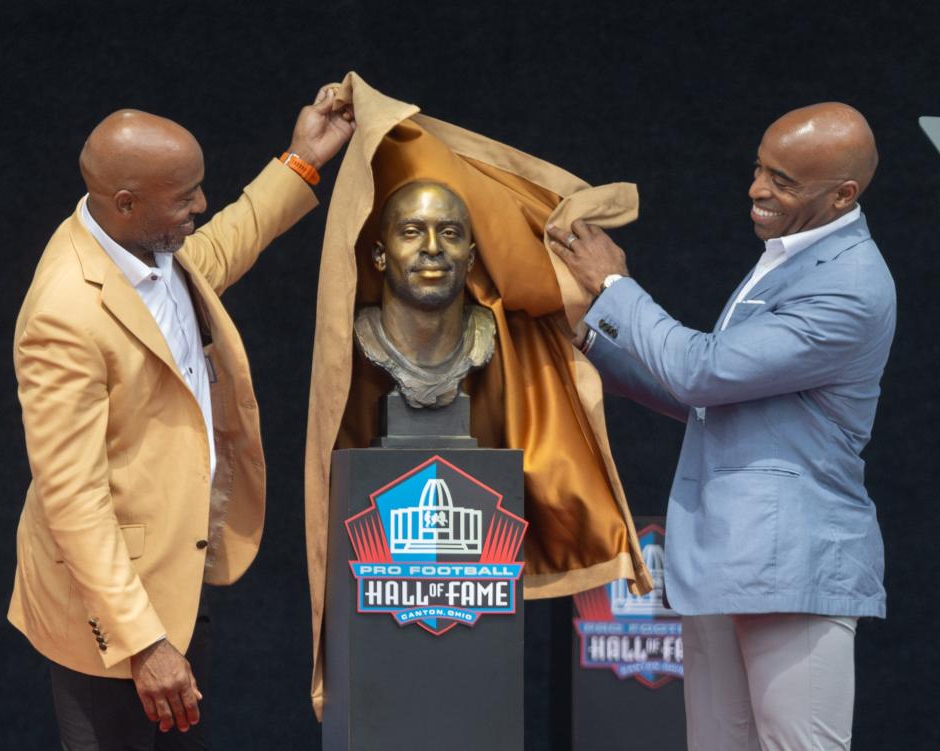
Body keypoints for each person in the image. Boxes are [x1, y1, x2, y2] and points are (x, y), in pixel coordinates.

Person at [9, 85, 354, 749]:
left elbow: (222, 243)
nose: (200, 205)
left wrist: (303, 159)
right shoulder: (64, 313)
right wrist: (144, 645)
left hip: (181, 569)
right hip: (111, 613)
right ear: (127, 202)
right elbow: (72, 502)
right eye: (186, 195)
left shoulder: (145, 246)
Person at [549, 102, 895, 750]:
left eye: (783, 180)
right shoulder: (790, 253)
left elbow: (700, 373)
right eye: (759, 168)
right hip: (721, 557)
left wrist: (616, 286)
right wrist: (590, 343)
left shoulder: (850, 282)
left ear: (843, 194)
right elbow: (714, 400)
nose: (757, 189)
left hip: (792, 564)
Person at [355, 180, 495, 408]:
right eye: (412, 232)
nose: (432, 247)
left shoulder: (483, 333)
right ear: (380, 256)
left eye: (449, 233)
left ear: (470, 259)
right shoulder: (358, 333)